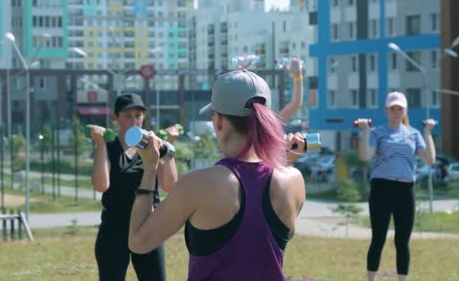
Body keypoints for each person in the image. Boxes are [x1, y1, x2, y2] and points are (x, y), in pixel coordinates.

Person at [128, 69, 306, 280]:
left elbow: (139, 242)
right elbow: (259, 239)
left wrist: (150, 167)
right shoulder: (294, 180)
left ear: (218, 121)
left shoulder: (197, 185)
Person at [90, 92, 179, 281]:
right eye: (127, 116)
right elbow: (101, 185)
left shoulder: (153, 145)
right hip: (114, 228)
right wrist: (100, 144)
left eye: (138, 116)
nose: (133, 121)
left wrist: (168, 146)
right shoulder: (109, 146)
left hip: (148, 226)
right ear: (116, 118)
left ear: (144, 117)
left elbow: (169, 185)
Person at [357, 91, 436, 281]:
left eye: (399, 108)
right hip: (382, 189)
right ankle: (371, 279)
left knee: (402, 240)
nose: (396, 111)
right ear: (387, 110)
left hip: (405, 190)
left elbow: (430, 159)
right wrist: (365, 132)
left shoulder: (414, 134)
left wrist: (427, 133)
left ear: (405, 110)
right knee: (379, 238)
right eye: (392, 108)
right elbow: (366, 156)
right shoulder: (377, 132)